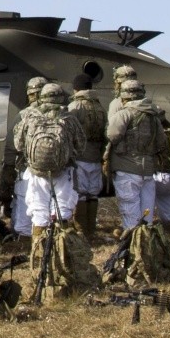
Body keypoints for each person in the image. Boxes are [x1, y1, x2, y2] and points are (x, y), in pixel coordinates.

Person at [15, 81, 76, 258]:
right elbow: (80, 144)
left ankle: (38, 250)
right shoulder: (69, 118)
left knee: (38, 208)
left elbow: (18, 144)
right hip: (63, 170)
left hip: (36, 171)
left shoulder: (30, 116)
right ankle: (61, 250)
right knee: (62, 208)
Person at [105, 78, 162, 233]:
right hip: (148, 171)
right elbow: (161, 142)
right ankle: (147, 240)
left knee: (130, 211)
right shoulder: (153, 116)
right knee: (147, 211)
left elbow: (112, 136)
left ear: (124, 96)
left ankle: (133, 244)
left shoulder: (123, 114)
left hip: (126, 168)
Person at [66, 76, 108, 242]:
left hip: (80, 156)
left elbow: (68, 131)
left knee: (81, 193)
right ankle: (91, 229)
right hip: (96, 156)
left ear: (76, 89)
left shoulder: (74, 106)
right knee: (93, 193)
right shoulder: (99, 107)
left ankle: (81, 229)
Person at [13, 76, 48, 238]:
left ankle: (25, 236)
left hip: (28, 166)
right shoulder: (59, 112)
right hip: (54, 167)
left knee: (24, 200)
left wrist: (8, 164)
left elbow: (14, 144)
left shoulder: (24, 115)